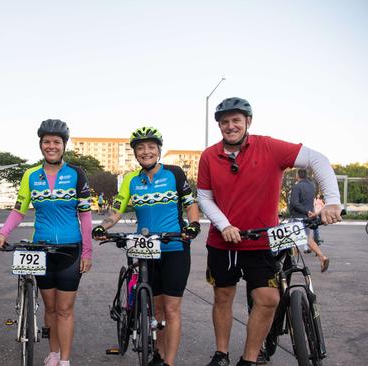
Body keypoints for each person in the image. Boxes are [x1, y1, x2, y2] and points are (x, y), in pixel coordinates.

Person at [197, 97, 341, 366]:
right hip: (223, 241)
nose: (230, 126)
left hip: (262, 240)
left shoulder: (269, 146)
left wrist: (332, 200)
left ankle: (249, 359)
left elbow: (317, 159)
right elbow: (204, 197)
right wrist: (225, 225)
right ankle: (221, 354)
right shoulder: (209, 156)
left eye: (236, 120)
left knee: (268, 299)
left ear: (247, 122)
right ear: (219, 126)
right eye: (225, 122)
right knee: (223, 296)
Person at [92, 126, 201, 366]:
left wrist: (193, 225)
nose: (146, 151)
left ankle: (168, 362)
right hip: (145, 248)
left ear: (159, 150)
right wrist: (103, 227)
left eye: (151, 147)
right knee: (157, 308)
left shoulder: (174, 173)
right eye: (140, 148)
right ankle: (159, 355)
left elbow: (190, 203)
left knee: (171, 309)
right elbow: (118, 208)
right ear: (135, 153)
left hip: (173, 247)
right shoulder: (131, 179)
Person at [0, 119, 92, 366]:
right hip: (41, 249)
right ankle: (54, 353)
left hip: (71, 248)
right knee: (50, 308)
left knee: (65, 308)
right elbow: (18, 210)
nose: (51, 146)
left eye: (56, 142)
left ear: (63, 145)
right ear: (41, 145)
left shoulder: (77, 174)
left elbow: (85, 215)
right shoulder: (30, 176)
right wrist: (3, 233)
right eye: (46, 142)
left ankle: (65, 360)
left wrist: (87, 251)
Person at [289, 169, 329, 272]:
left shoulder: (297, 186)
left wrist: (306, 212)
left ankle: (294, 262)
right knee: (306, 238)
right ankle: (321, 257)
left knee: (292, 238)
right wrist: (310, 212)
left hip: (298, 216)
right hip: (308, 217)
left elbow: (295, 203)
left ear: (298, 175)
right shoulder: (312, 186)